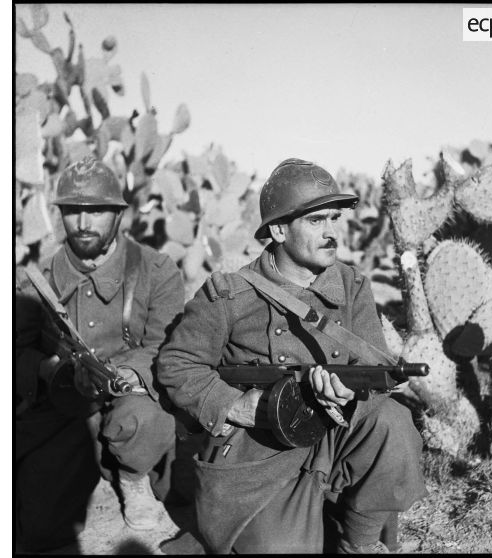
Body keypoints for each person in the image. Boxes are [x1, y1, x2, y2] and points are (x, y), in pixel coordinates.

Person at [157, 158, 427, 554]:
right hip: (259, 453)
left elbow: (373, 370)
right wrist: (237, 406)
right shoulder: (229, 293)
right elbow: (176, 364)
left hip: (333, 435)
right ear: (280, 230)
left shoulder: (352, 286)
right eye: (317, 222)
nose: (332, 232)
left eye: (335, 218)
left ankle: (360, 542)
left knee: (394, 423)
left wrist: (349, 395)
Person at [15, 157, 185, 552]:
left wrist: (123, 373)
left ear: (119, 215)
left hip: (131, 401)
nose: (84, 223)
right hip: (67, 409)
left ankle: (132, 477)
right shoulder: (37, 279)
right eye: (73, 211)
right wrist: (48, 370)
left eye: (96, 211)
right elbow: (15, 349)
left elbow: (170, 346)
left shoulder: (156, 270)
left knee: (145, 415)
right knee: (40, 528)